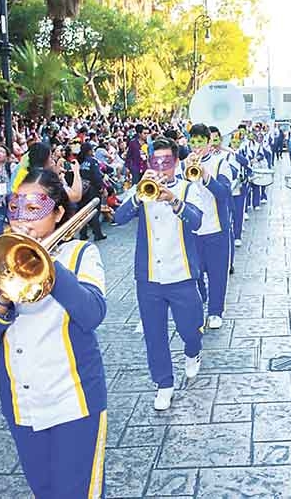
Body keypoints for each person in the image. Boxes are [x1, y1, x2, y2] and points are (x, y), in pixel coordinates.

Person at [0, 169, 108, 498]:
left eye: (34, 209)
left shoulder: (81, 254)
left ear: (58, 213)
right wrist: (4, 293)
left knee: (79, 491)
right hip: (21, 402)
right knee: (44, 490)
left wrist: (46, 263)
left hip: (76, 399)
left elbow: (92, 314)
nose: (21, 219)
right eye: (15, 209)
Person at [113, 136, 205, 411]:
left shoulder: (189, 188)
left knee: (191, 328)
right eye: (156, 162)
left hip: (183, 273)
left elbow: (197, 221)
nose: (161, 167)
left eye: (167, 162)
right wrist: (139, 195)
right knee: (155, 334)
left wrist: (173, 200)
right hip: (149, 276)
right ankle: (164, 384)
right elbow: (118, 218)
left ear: (176, 162)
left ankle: (193, 351)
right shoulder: (142, 189)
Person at [187, 124, 233, 330]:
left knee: (217, 273)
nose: (196, 147)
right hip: (191, 230)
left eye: (200, 142)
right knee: (193, 272)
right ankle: (201, 297)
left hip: (216, 228)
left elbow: (224, 193)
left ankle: (216, 311)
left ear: (208, 143)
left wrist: (205, 176)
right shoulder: (182, 166)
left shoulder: (220, 162)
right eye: (193, 142)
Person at [77, 142, 107, 242]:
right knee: (95, 212)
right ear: (89, 151)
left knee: (83, 212)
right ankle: (98, 233)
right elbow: (96, 176)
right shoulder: (92, 161)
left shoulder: (80, 161)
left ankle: (83, 234)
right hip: (92, 189)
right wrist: (100, 188)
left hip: (82, 189)